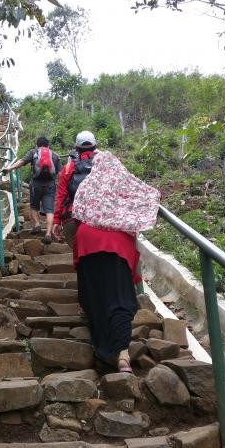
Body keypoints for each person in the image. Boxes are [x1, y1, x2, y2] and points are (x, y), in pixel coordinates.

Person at [53, 132, 149, 373]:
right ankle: (123, 356)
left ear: (76, 146)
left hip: (85, 241)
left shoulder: (80, 181)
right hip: (117, 245)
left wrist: (56, 220)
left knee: (94, 295)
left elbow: (65, 201)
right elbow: (146, 198)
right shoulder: (121, 184)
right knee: (119, 299)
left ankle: (102, 347)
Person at [2, 136, 61, 244]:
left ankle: (37, 224)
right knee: (49, 210)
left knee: (34, 206)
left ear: (37, 145)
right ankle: (48, 233)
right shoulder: (54, 155)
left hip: (36, 184)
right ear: (48, 145)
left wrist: (9, 168)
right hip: (50, 185)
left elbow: (21, 161)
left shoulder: (33, 152)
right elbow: (59, 173)